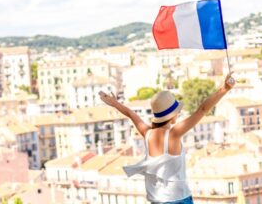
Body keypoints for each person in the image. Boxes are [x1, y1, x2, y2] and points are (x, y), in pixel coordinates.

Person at [99, 72, 235, 204]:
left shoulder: (147, 134)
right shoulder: (174, 134)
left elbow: (130, 113)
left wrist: (114, 103)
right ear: (172, 115)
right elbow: (203, 110)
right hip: (178, 198)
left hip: (157, 200)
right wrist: (224, 89)